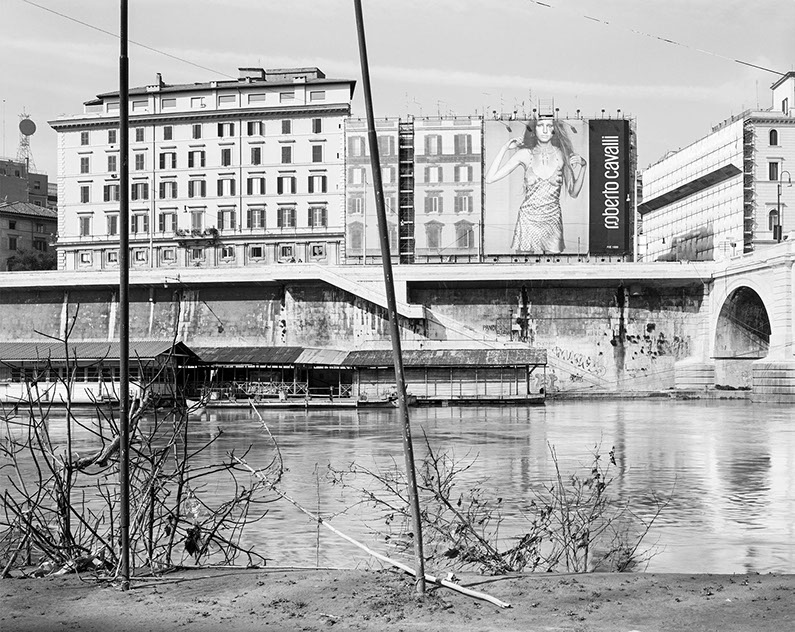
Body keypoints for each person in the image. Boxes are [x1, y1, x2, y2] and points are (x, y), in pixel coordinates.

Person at [485, 117, 587, 254]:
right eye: (540, 125)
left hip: (552, 219)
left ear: (554, 130)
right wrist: (504, 148)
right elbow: (489, 179)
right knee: (523, 267)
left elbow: (573, 192)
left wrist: (583, 166)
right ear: (534, 129)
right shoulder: (525, 154)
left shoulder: (563, 154)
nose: (545, 130)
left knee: (552, 268)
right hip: (528, 219)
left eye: (549, 126)